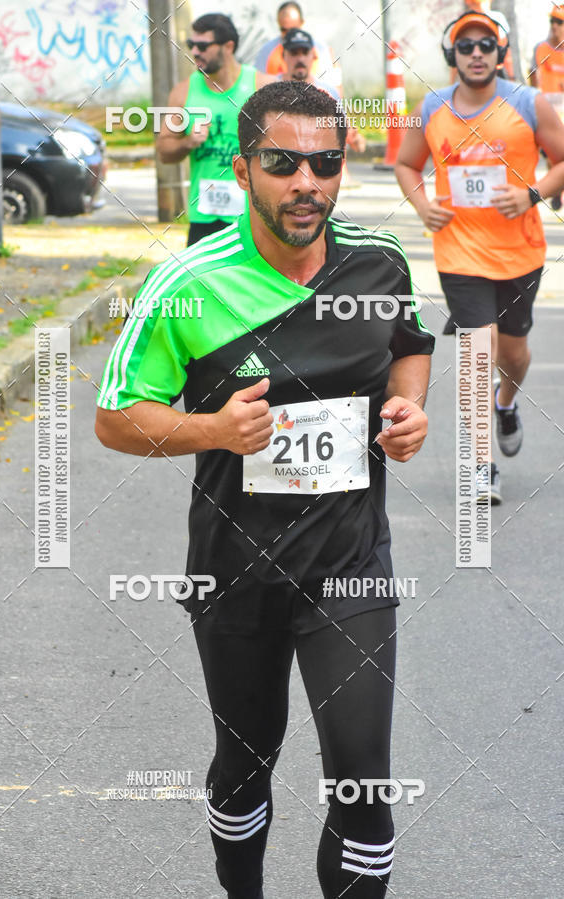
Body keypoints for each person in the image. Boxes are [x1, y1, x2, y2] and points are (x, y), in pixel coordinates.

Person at [96, 80, 433, 899]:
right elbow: (114, 418)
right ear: (245, 167)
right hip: (234, 572)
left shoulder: (378, 263)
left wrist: (408, 410)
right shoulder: (186, 282)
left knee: (363, 783)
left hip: (349, 567)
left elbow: (408, 343)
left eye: (325, 162)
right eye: (283, 163)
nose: (306, 182)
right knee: (245, 770)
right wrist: (213, 430)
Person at [395, 9, 564, 504]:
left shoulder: (528, 103)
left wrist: (531, 195)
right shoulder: (431, 107)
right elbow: (407, 163)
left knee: (512, 352)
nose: (475, 53)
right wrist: (423, 205)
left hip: (520, 252)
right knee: (477, 347)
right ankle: (480, 463)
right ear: (453, 55)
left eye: (484, 46)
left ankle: (505, 402)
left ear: (499, 54)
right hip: (459, 253)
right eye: (465, 46)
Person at [157, 13, 273, 246]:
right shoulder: (183, 92)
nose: (195, 52)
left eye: (202, 45)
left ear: (228, 46)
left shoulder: (262, 87)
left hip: (253, 216)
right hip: (204, 217)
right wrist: (188, 141)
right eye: (192, 45)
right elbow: (164, 150)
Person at [278, 27, 367, 153]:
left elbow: (345, 132)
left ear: (313, 55)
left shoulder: (328, 93)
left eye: (305, 52)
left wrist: (355, 139)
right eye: (294, 53)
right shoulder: (268, 87)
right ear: (283, 55)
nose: (300, 59)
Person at [255, 1, 341, 93]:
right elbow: (257, 84)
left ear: (302, 22)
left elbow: (335, 88)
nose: (289, 34)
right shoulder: (267, 51)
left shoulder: (321, 50)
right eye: (284, 30)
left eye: (305, 53)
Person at [529, 4, 564, 209]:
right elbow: (533, 75)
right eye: (552, 21)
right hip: (548, 110)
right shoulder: (541, 48)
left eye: (559, 22)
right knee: (554, 155)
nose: (554, 26)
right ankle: (558, 189)